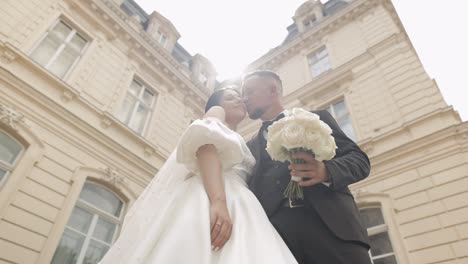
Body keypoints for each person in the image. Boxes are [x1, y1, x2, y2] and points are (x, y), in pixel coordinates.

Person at [100, 87, 297, 264]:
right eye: (230, 97)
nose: (239, 100)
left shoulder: (239, 138)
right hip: (215, 194)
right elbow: (205, 146)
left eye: (240, 97)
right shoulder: (215, 114)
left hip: (241, 201)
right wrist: (218, 202)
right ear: (217, 105)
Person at [242, 70, 372, 264]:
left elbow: (359, 160)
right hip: (278, 241)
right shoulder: (249, 147)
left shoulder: (316, 119)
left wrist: (327, 171)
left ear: (272, 90)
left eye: (249, 91)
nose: (244, 99)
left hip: (332, 228)